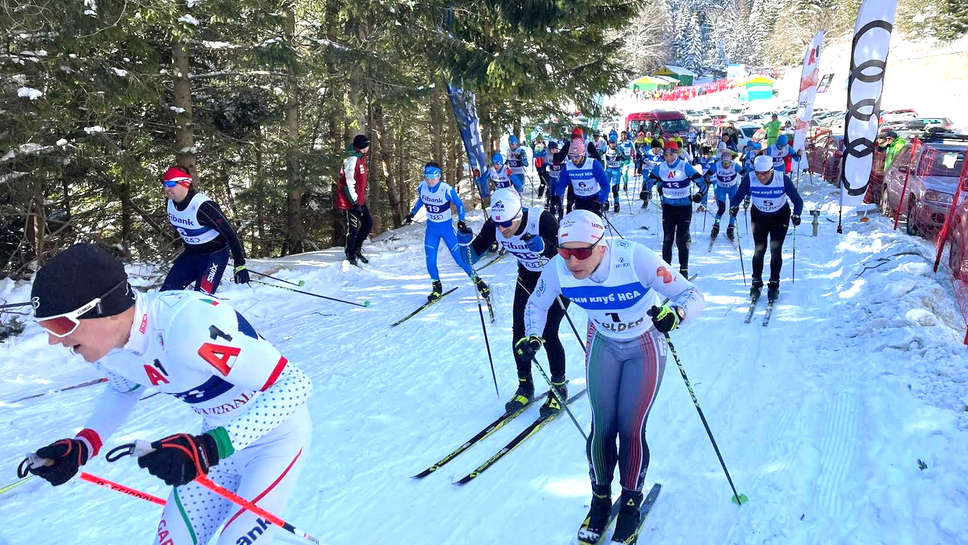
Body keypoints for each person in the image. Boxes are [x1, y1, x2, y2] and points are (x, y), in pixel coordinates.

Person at [24, 243, 313, 545]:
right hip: (215, 449)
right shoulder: (110, 349)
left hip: (274, 444)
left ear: (104, 309)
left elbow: (294, 384)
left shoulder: (186, 327)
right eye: (45, 327)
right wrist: (84, 444)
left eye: (59, 325)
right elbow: (123, 390)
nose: (52, 341)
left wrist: (210, 448)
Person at [517, 210, 704, 545]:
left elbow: (692, 295)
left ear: (601, 247)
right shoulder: (559, 268)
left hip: (644, 343)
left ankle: (630, 503)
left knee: (630, 427)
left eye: (582, 252)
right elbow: (536, 305)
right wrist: (533, 335)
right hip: (603, 341)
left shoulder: (635, 258)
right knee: (602, 426)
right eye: (564, 251)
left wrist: (676, 314)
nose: (572, 261)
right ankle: (600, 501)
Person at [458, 189, 568, 417]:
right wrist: (463, 244)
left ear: (519, 215)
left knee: (547, 331)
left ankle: (559, 387)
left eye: (507, 223)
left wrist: (545, 247)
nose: (502, 229)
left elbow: (567, 253)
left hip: (557, 279)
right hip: (527, 278)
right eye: (498, 224)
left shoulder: (541, 220)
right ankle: (525, 386)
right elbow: (470, 258)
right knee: (519, 332)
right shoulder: (496, 224)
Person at [406, 162, 489, 301]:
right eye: (426, 176)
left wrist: (461, 220)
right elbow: (421, 200)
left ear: (438, 175)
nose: (429, 179)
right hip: (431, 230)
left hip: (447, 230)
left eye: (432, 176)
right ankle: (437, 288)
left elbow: (459, 205)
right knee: (430, 261)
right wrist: (412, 213)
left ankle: (479, 282)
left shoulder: (446, 190)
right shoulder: (422, 187)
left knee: (461, 260)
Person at [160, 166, 249, 293]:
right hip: (191, 254)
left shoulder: (203, 206)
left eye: (170, 183)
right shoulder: (169, 203)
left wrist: (239, 263)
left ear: (185, 183)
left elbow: (230, 233)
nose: (166, 188)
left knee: (201, 298)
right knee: (166, 293)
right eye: (164, 184)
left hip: (214, 256)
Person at [730, 155, 805, 302]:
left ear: (772, 170)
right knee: (759, 249)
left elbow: (798, 201)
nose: (761, 177)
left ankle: (774, 284)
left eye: (765, 173)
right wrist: (734, 206)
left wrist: (797, 215)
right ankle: (756, 282)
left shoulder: (781, 178)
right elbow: (738, 196)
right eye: (758, 173)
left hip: (780, 216)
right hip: (759, 216)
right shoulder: (750, 178)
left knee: (775, 250)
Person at [644, 141, 707, 277]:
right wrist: (645, 190)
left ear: (677, 153)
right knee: (667, 239)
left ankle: (683, 270)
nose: (669, 157)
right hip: (668, 207)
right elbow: (649, 181)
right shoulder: (661, 167)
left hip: (684, 208)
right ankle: (666, 268)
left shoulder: (685, 166)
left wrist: (699, 195)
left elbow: (702, 183)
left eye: (671, 154)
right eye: (666, 154)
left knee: (681, 239)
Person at [338, 134, 374, 266]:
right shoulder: (352, 159)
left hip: (359, 199)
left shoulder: (360, 157)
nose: (369, 147)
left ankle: (357, 248)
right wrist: (354, 202)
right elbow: (348, 182)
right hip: (351, 201)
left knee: (367, 223)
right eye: (367, 145)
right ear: (363, 147)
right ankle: (350, 253)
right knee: (353, 227)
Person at [555, 131, 610, 216]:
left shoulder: (593, 164)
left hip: (594, 200)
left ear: (583, 154)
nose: (574, 159)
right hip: (579, 200)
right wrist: (557, 195)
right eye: (571, 156)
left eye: (576, 156)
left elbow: (605, 185)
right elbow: (561, 184)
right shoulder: (568, 166)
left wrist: (600, 200)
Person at [710, 151, 743, 241]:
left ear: (731, 161)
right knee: (721, 209)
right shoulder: (717, 166)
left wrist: (745, 179)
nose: (726, 165)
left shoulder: (735, 165)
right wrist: (705, 179)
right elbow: (707, 175)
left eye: (728, 163)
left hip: (733, 188)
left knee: (733, 209)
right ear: (721, 161)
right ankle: (716, 227)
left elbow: (745, 173)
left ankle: (730, 228)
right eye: (724, 163)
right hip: (721, 188)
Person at [603, 133, 627, 214]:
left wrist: (618, 152)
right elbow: (598, 154)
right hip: (608, 170)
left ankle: (617, 204)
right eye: (611, 142)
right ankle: (606, 202)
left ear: (616, 142)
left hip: (616, 171)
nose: (612, 144)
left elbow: (624, 159)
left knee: (614, 188)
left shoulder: (620, 148)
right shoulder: (606, 148)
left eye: (614, 142)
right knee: (606, 187)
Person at [638, 140, 664, 208]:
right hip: (649, 170)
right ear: (652, 148)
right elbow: (641, 160)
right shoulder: (647, 154)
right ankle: (645, 201)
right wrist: (639, 165)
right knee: (646, 184)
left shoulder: (663, 154)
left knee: (660, 187)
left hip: (659, 172)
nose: (656, 151)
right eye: (654, 149)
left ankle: (663, 202)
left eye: (658, 149)